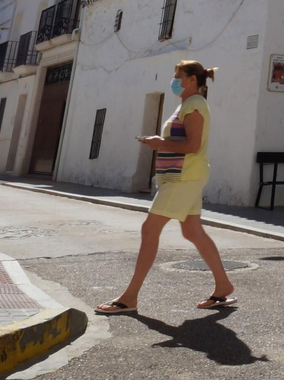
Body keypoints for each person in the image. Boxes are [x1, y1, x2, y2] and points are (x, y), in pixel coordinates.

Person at [96, 60, 237, 314]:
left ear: (192, 80)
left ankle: (129, 297)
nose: (174, 81)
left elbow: (192, 145)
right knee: (193, 231)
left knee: (150, 229)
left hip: (183, 177)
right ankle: (223, 285)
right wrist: (159, 142)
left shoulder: (194, 104)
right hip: (184, 175)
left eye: (178, 76)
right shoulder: (188, 104)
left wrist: (159, 143)